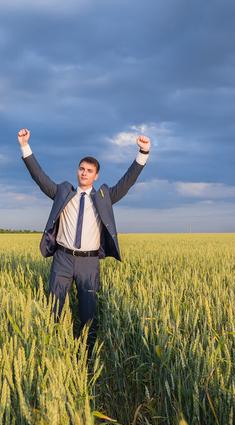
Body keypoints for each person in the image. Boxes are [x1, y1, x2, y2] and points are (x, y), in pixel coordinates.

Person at [17, 128, 150, 361]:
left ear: (96, 175)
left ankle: (86, 357)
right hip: (63, 259)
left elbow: (127, 182)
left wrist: (143, 152)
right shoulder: (62, 192)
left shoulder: (104, 196)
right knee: (54, 309)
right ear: (77, 171)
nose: (84, 173)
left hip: (89, 262)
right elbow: (39, 176)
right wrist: (25, 146)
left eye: (89, 171)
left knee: (88, 313)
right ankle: (53, 354)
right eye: (81, 169)